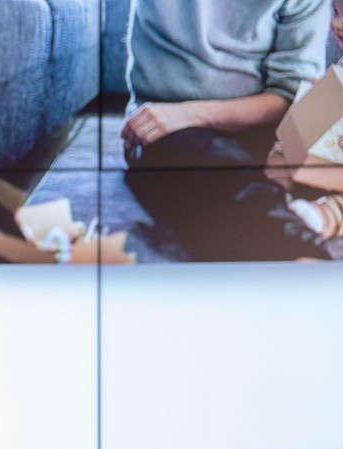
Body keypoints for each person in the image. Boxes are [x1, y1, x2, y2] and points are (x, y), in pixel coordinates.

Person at [119, 0, 331, 260]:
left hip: (266, 126)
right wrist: (183, 116)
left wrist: (192, 114)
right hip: (171, 127)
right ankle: (296, 256)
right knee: (218, 182)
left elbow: (290, 94)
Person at [285, 0, 343, 238]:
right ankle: (279, 187)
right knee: (293, 138)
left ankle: (327, 216)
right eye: (335, 11)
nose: (335, 23)